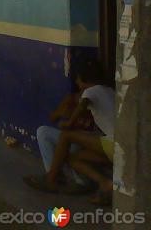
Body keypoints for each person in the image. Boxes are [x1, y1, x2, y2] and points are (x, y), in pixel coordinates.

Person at [24, 60, 116, 205]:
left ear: (83, 79)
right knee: (73, 159)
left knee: (66, 135)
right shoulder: (110, 91)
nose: (78, 84)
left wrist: (69, 122)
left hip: (113, 144)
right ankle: (106, 183)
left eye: (78, 80)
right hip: (113, 146)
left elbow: (83, 105)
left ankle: (51, 178)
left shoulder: (91, 91)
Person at [33, 90, 94, 191]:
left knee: (71, 143)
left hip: (89, 141)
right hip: (71, 139)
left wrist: (72, 121)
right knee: (43, 131)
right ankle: (55, 177)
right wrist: (60, 113)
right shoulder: (72, 98)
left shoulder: (92, 98)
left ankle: (80, 181)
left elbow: (84, 127)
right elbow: (53, 118)